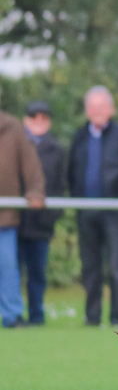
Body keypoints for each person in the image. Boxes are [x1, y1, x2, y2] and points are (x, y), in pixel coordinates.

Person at [67, 86, 118, 326]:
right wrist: (78, 199)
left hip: (114, 214)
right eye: (92, 106)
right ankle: (92, 317)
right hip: (86, 213)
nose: (97, 111)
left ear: (111, 109)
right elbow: (71, 172)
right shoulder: (80, 137)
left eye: (101, 106)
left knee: (116, 267)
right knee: (90, 267)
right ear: (87, 110)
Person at [18, 101, 66, 326]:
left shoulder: (57, 150)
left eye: (43, 118)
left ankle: (36, 315)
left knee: (37, 273)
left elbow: (60, 186)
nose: (38, 121)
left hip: (41, 224)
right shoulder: (15, 144)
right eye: (33, 117)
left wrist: (50, 217)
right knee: (11, 272)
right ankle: (13, 315)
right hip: (16, 221)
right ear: (25, 119)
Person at [0, 106, 46, 329]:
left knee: (7, 265)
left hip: (5, 215)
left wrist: (36, 191)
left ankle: (12, 315)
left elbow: (30, 162)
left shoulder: (12, 128)